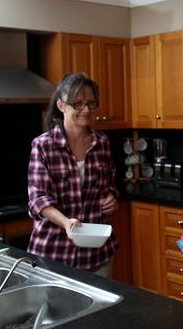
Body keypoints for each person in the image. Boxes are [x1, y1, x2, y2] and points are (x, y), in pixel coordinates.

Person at [27, 72, 119, 277]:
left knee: (101, 310)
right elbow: (38, 200)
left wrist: (112, 198)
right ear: (61, 106)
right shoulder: (43, 146)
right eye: (78, 104)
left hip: (97, 253)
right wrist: (66, 223)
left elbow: (109, 184)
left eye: (91, 103)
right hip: (53, 253)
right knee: (55, 310)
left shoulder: (101, 143)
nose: (86, 110)